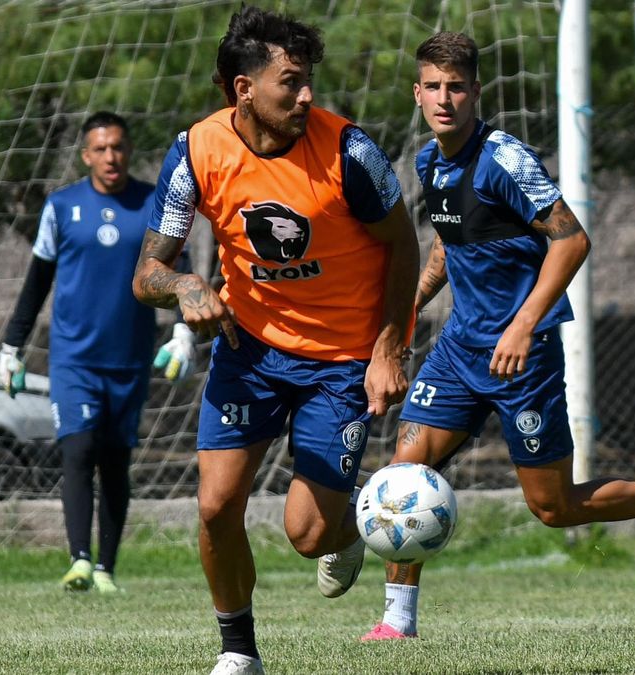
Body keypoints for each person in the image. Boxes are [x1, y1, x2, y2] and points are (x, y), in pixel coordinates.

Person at [358, 32, 635, 642]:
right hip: (458, 351)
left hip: (521, 358)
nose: (444, 99)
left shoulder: (503, 159)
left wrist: (523, 325)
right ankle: (399, 621)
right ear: (417, 93)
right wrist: (401, 318)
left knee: (553, 508)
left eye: (457, 87)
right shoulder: (429, 162)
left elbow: (572, 238)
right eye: (433, 87)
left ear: (475, 92)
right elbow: (449, 247)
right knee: (406, 468)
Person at [129, 7, 418, 674]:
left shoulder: (350, 150)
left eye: (309, 79)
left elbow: (402, 246)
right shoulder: (197, 151)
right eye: (291, 82)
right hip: (249, 349)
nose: (307, 94)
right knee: (215, 506)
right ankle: (238, 652)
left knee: (306, 533)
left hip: (340, 360)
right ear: (243, 90)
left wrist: (388, 347)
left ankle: (346, 529)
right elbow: (147, 273)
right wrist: (186, 287)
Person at [0, 111, 196, 594]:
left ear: (128, 151)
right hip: (74, 359)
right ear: (86, 155)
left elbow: (181, 269)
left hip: (130, 358)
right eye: (101, 149)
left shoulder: (154, 203)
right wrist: (10, 347)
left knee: (115, 460)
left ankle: (106, 567)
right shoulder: (62, 207)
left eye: (118, 147)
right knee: (79, 448)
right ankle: (79, 560)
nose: (111, 156)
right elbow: (36, 283)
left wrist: (183, 331)